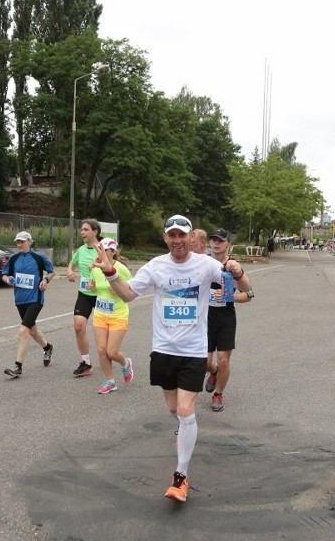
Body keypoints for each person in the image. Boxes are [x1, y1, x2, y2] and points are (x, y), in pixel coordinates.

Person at [91, 214, 251, 503]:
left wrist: (237, 272)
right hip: (164, 350)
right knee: (173, 408)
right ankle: (183, 427)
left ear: (191, 238)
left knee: (187, 409)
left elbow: (243, 289)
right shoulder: (156, 266)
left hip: (192, 350)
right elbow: (128, 295)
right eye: (172, 235)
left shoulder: (206, 265)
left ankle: (180, 477)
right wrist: (111, 273)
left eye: (182, 235)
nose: (177, 240)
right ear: (165, 238)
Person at [204, 228, 254, 412]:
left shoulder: (232, 267)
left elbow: (248, 295)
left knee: (223, 360)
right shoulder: (202, 263)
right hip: (205, 317)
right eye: (214, 240)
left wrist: (228, 297)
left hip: (225, 317)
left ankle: (218, 394)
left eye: (221, 240)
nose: (216, 243)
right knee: (204, 362)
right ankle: (213, 371)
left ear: (228, 244)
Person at [2, 231, 56, 378]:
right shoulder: (13, 259)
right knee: (32, 331)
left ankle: (18, 367)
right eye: (17, 242)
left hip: (35, 299)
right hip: (20, 300)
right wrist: (8, 280)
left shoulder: (39, 257)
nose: (19, 244)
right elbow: (4, 274)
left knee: (23, 331)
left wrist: (46, 280)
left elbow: (51, 271)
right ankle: (47, 347)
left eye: (22, 241)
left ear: (29, 242)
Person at [87, 238, 134, 394]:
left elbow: (131, 291)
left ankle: (125, 363)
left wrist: (119, 291)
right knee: (101, 350)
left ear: (113, 252)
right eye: (99, 249)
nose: (101, 253)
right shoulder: (96, 268)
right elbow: (96, 289)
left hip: (118, 315)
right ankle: (110, 381)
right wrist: (91, 287)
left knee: (112, 352)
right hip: (100, 313)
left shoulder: (122, 269)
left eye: (105, 250)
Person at [66, 219, 102, 377]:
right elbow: (71, 263)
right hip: (85, 294)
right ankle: (86, 362)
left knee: (103, 332)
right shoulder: (81, 250)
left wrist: (97, 266)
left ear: (95, 232)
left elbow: (113, 265)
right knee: (79, 326)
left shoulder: (103, 248)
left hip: (102, 294)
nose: (82, 232)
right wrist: (69, 271)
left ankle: (110, 354)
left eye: (86, 229)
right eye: (81, 230)